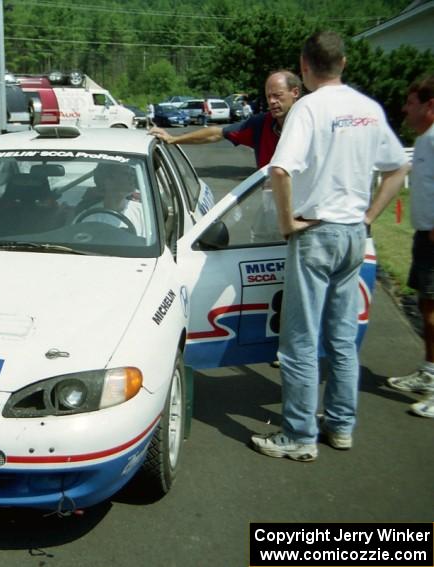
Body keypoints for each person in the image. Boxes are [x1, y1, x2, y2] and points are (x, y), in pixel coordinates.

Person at [251, 31, 411, 461]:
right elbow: (397, 168)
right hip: (353, 235)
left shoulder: (309, 109)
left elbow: (280, 170)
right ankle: (341, 426)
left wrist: (287, 223)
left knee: (299, 342)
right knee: (342, 340)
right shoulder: (368, 109)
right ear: (343, 63)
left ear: (304, 65)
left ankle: (300, 436)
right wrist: (369, 217)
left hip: (315, 233)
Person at [387, 76, 434, 418]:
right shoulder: (424, 140)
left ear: (430, 106)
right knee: (426, 305)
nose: (405, 108)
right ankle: (429, 372)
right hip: (424, 234)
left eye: (411, 101)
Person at [150, 70, 302, 169]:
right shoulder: (260, 125)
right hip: (273, 207)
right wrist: (173, 139)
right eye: (269, 96)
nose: (272, 101)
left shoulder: (312, 124)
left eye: (278, 95)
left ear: (294, 92)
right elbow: (215, 133)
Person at [75, 162, 146, 236]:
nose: (132, 177)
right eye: (125, 173)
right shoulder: (89, 218)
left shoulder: (142, 212)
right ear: (107, 181)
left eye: (132, 174)